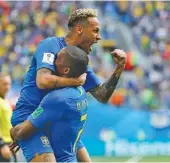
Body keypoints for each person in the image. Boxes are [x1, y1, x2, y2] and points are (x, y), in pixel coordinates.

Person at [10, 8, 126, 162]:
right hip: (29, 118)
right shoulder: (51, 45)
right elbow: (43, 80)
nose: (99, 37)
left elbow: (102, 95)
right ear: (79, 29)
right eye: (95, 31)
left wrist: (119, 68)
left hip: (58, 121)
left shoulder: (78, 61)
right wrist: (74, 81)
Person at [11, 46, 91, 162]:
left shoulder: (57, 98)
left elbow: (21, 131)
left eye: (58, 58)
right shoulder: (80, 92)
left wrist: (13, 132)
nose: (53, 60)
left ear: (66, 70)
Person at [0, 73, 16, 162]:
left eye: (9, 84)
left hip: (10, 143)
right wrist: (1, 144)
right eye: (4, 84)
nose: (7, 87)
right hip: (2, 145)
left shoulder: (6, 100)